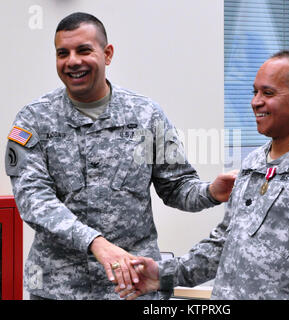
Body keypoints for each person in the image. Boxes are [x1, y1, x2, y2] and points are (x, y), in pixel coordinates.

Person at [4, 12, 236, 300]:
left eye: (84, 50)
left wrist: (210, 192)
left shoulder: (146, 115)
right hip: (59, 289)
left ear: (107, 53)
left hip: (134, 286)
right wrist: (96, 243)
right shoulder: (33, 120)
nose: (72, 61)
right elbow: (34, 200)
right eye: (62, 53)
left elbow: (176, 186)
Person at [117, 50, 289, 300]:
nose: (255, 102)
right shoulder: (254, 163)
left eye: (268, 93)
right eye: (255, 92)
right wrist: (162, 275)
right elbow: (224, 244)